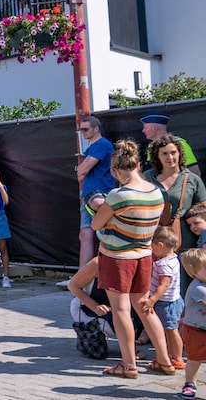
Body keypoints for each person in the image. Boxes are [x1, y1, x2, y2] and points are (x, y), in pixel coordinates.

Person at [91, 139, 175, 378]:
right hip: (144, 256)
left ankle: (128, 366)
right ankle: (165, 360)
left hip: (117, 258)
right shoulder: (156, 192)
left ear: (115, 170)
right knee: (145, 308)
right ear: (138, 165)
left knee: (121, 311)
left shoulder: (118, 195)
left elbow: (97, 224)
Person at [142, 227, 185, 370]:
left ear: (160, 245)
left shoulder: (165, 264)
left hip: (167, 303)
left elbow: (163, 285)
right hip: (173, 300)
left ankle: (177, 359)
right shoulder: (172, 258)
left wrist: (152, 299)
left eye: (152, 246)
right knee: (168, 331)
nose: (151, 250)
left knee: (171, 331)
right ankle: (168, 356)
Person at [78, 116, 115, 269]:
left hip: (102, 193)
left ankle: (107, 271)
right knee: (85, 235)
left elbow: (83, 170)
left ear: (96, 128)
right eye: (81, 130)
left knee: (105, 235)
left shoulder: (102, 144)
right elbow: (80, 173)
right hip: (88, 196)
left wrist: (82, 168)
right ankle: (82, 276)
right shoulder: (91, 148)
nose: (83, 133)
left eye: (86, 129)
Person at [179, 248, 206, 399]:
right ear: (194, 272)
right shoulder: (198, 288)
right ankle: (190, 383)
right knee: (194, 360)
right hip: (195, 330)